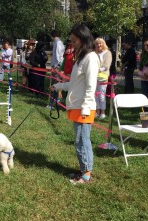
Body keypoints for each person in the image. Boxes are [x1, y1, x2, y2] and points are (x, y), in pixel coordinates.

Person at [50, 24, 100, 184]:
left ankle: (86, 174)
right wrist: (58, 86)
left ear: (82, 39)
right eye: (70, 41)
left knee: (82, 140)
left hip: (84, 107)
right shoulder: (81, 57)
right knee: (79, 140)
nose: (72, 44)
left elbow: (91, 85)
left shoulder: (91, 57)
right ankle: (83, 169)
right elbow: (74, 83)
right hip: (78, 106)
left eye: (74, 40)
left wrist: (85, 107)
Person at [95, 37, 112, 119]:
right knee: (95, 95)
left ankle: (103, 112)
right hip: (94, 76)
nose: (99, 45)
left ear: (103, 44)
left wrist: (98, 70)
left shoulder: (108, 53)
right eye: (97, 43)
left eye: (100, 43)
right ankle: (97, 111)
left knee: (101, 95)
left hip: (102, 76)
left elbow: (106, 66)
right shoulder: (94, 53)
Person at [46, 30, 65, 108]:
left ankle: (52, 103)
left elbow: (58, 54)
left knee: (55, 85)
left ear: (52, 36)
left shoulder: (57, 43)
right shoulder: (58, 43)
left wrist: (57, 65)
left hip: (56, 66)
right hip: (56, 65)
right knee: (56, 84)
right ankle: (56, 100)